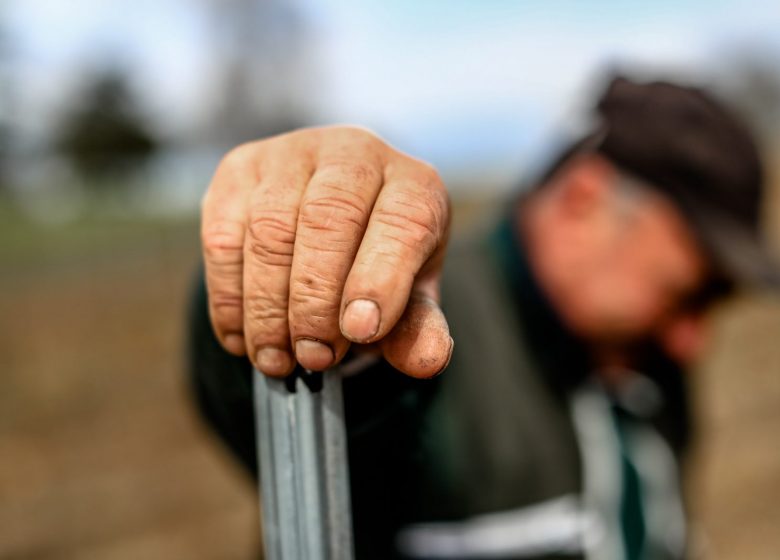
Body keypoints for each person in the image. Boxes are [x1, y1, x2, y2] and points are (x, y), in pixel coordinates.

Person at [187, 76, 776, 559]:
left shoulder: (645, 359)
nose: (691, 340)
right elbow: (285, 386)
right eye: (686, 294)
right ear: (584, 201)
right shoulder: (426, 323)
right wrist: (303, 262)